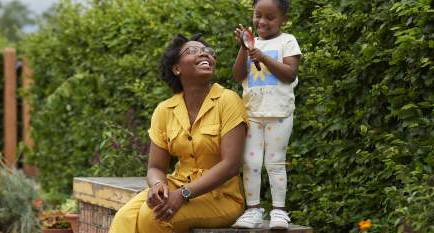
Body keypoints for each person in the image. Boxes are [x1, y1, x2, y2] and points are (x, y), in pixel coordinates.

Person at [109, 34, 249, 233]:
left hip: (221, 197)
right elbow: (156, 167)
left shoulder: (228, 101)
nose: (204, 54)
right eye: (193, 50)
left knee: (153, 218)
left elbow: (230, 165)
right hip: (176, 186)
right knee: (125, 218)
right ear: (176, 69)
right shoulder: (165, 110)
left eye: (208, 52)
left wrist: (184, 193)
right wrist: (158, 186)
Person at [230, 0, 302, 230]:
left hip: (279, 113)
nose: (262, 21)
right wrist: (244, 48)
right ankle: (253, 210)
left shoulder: (287, 41)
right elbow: (237, 75)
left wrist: (263, 57)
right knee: (250, 162)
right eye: (258, 15)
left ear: (283, 20)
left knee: (275, 162)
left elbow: (289, 74)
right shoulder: (251, 44)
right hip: (252, 113)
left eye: (270, 17)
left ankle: (279, 211)